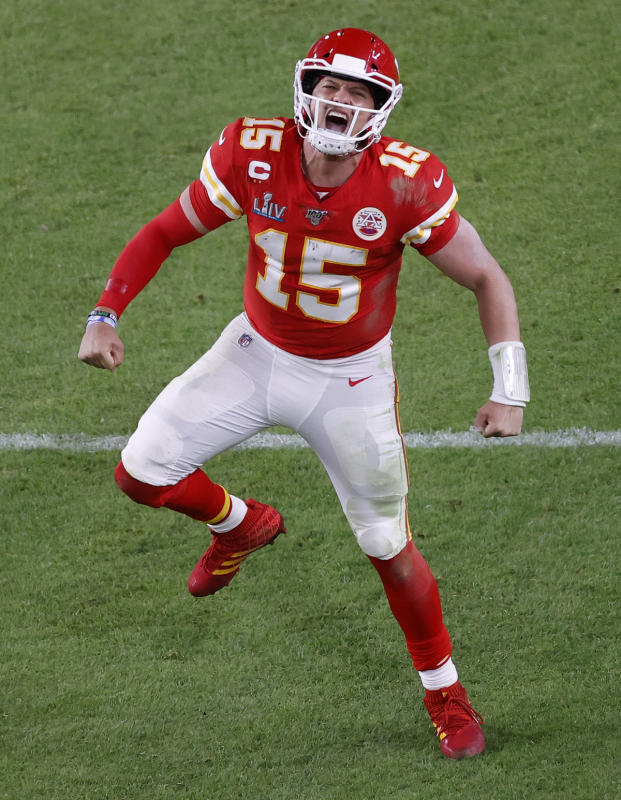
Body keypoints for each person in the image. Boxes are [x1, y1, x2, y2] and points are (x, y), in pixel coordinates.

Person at [78, 27, 530, 760]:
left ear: (381, 108)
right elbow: (165, 230)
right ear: (306, 88)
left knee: (387, 544)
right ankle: (238, 523)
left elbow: (486, 277)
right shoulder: (252, 153)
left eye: (359, 93)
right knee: (141, 472)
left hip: (348, 381)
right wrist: (105, 313)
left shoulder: (405, 181)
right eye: (331, 87)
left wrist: (509, 389)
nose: (340, 103)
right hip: (254, 353)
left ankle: (445, 694)